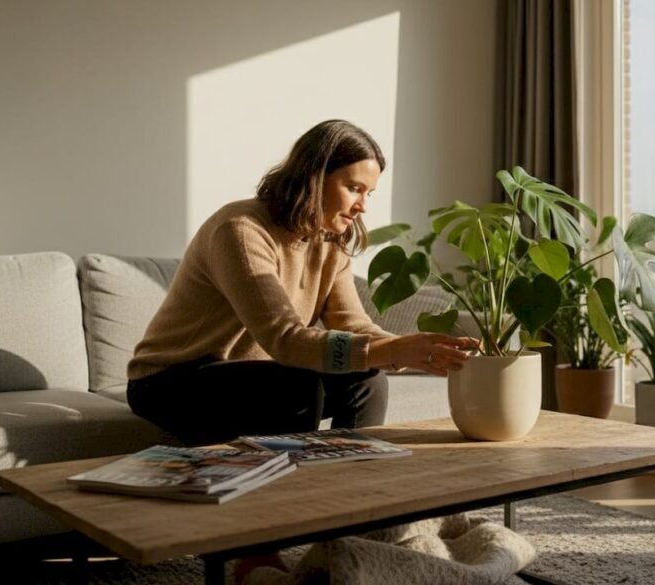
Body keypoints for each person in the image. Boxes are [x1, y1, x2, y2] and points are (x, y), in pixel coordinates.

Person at [126, 119, 475, 449]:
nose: (363, 206)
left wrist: (408, 347)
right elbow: (285, 339)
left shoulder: (329, 241)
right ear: (314, 177)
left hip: (261, 377)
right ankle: (294, 495)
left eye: (369, 193)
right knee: (297, 386)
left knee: (367, 378)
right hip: (171, 380)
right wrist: (391, 351)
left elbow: (351, 323)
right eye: (354, 189)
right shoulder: (240, 231)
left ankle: (352, 483)